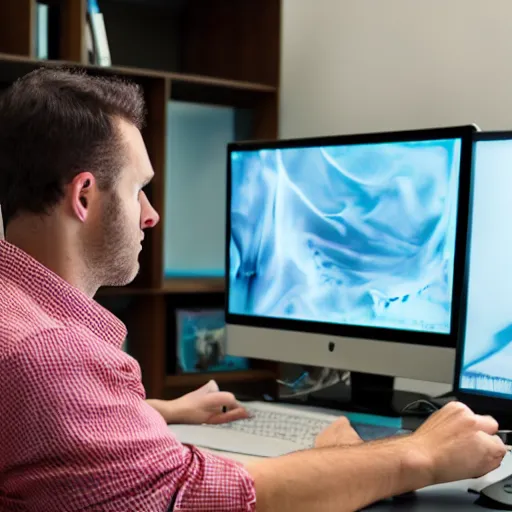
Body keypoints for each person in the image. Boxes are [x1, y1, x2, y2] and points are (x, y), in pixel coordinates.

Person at [0, 68, 506, 512]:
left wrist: (160, 410)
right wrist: (416, 454)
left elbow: (49, 431)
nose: (151, 215)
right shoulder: (49, 354)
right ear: (84, 195)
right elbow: (218, 497)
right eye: (139, 189)